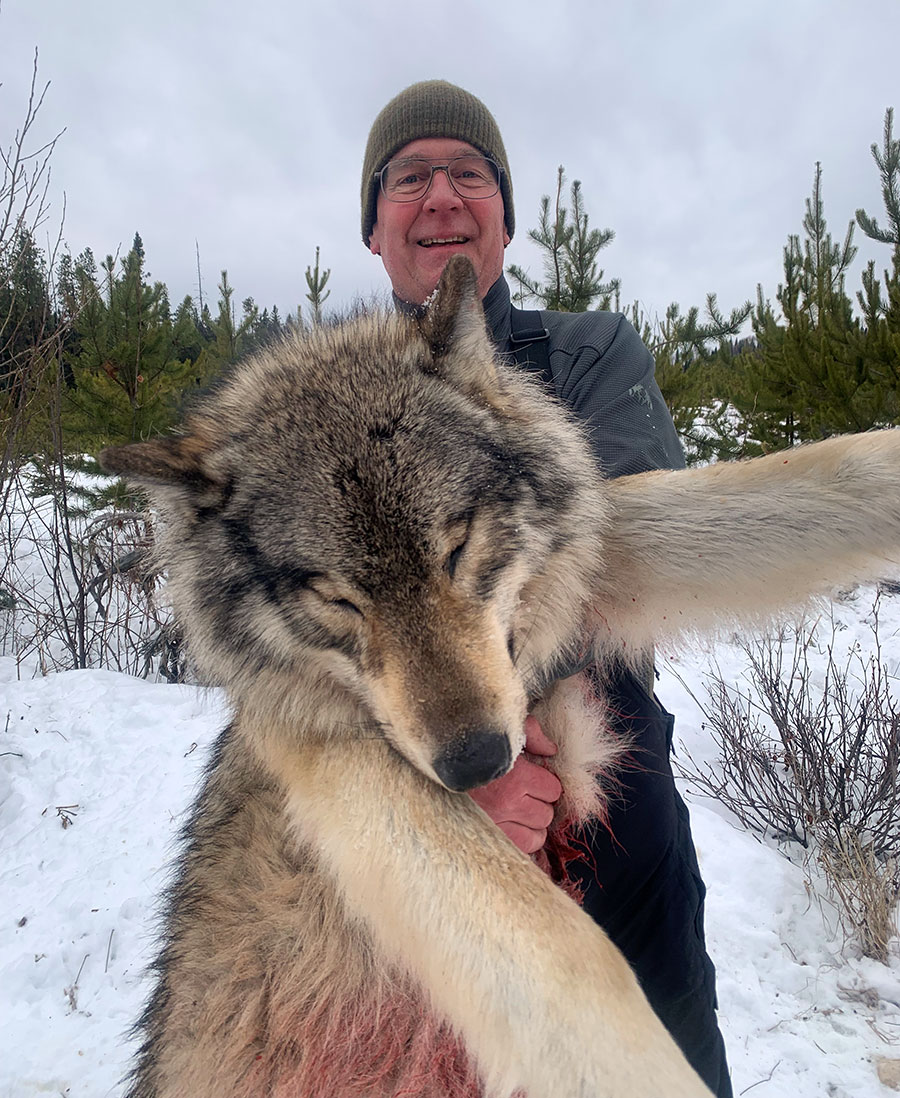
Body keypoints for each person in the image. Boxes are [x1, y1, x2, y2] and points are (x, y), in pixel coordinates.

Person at [361, 79, 733, 1098]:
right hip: (418, 826)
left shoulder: (586, 352)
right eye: (410, 178)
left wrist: (499, 739)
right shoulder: (332, 401)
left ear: (507, 219)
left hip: (615, 801)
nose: (441, 195)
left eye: (469, 173)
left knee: (665, 1062)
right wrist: (449, 767)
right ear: (375, 229)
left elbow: (623, 544)